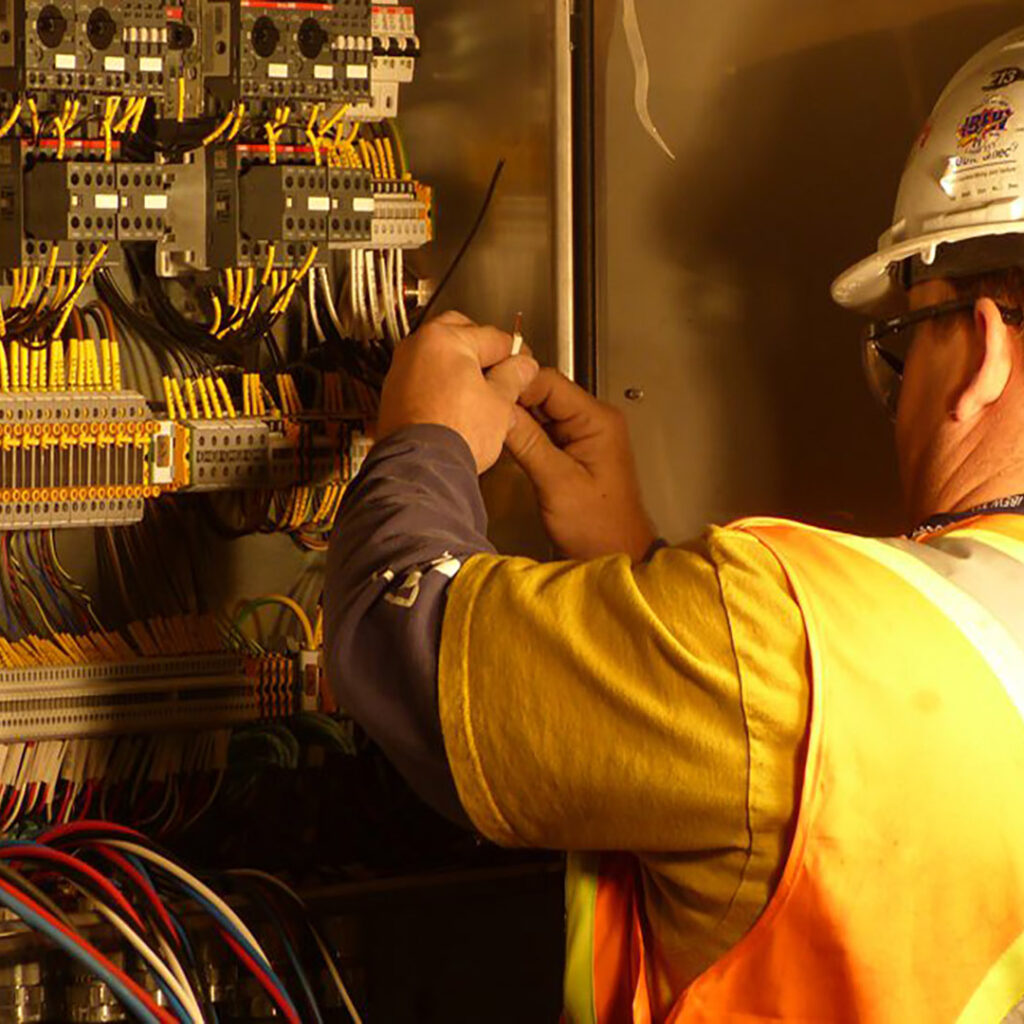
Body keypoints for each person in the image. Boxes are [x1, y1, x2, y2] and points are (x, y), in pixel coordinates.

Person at [325, 27, 1024, 1024]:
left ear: (983, 353)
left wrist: (421, 441)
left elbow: (395, 641)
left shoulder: (794, 637)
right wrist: (635, 565)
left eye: (900, 342)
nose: (895, 390)